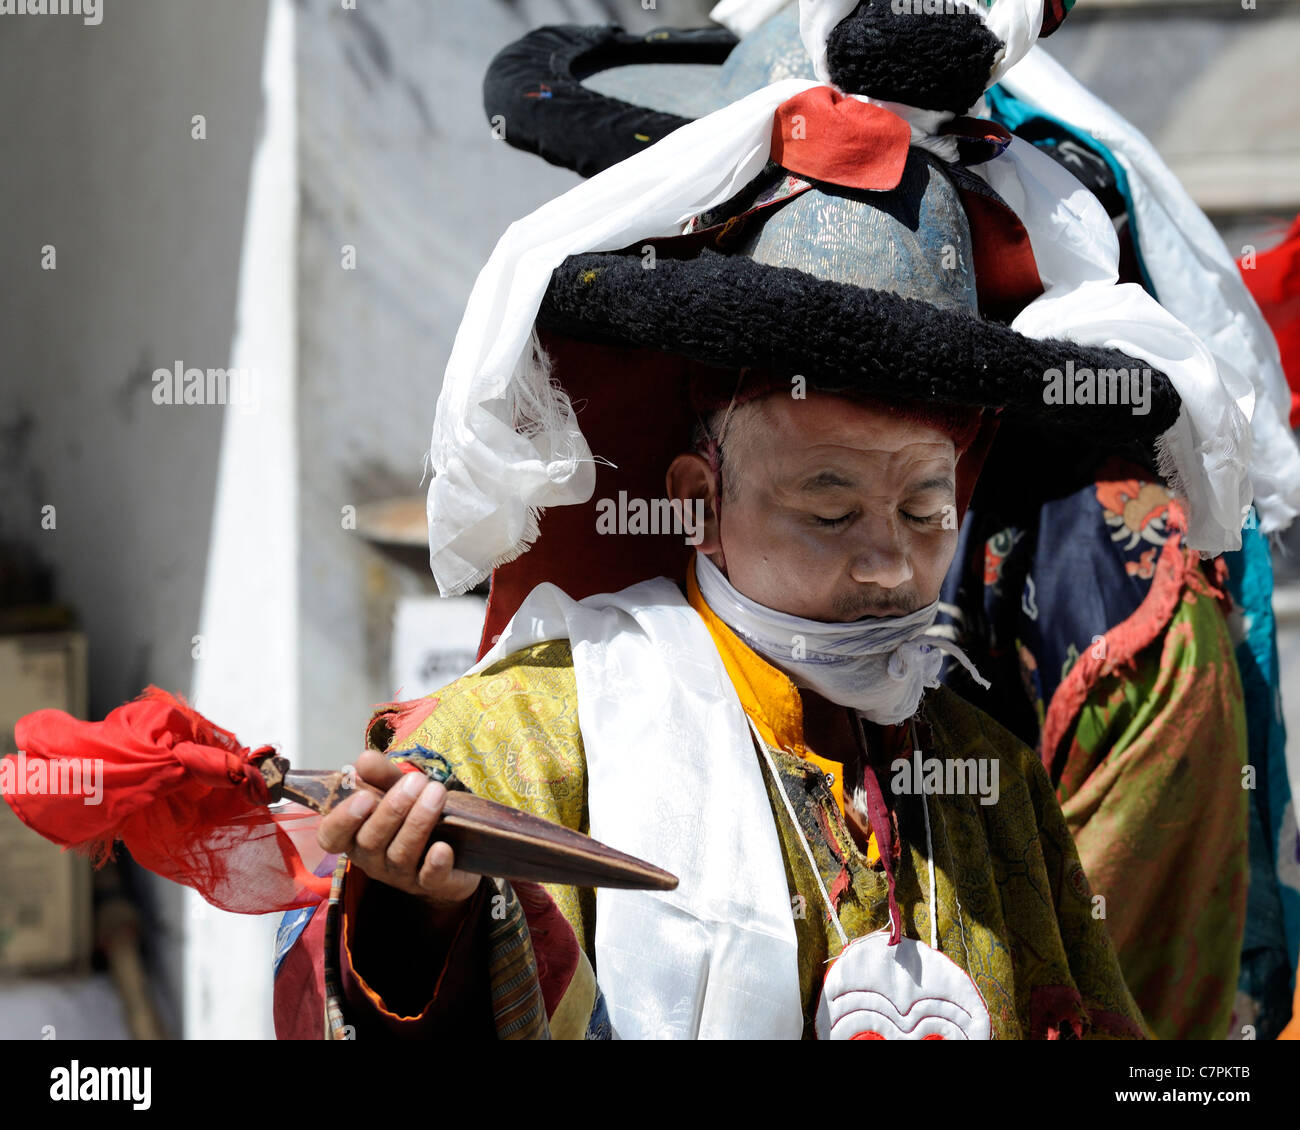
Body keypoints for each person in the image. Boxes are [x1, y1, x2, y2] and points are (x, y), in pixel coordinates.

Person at [273, 0, 1246, 1039]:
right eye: (828, 508)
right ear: (696, 498)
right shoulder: (531, 737)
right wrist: (417, 918)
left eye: (924, 507)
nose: (886, 564)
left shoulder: (984, 774)